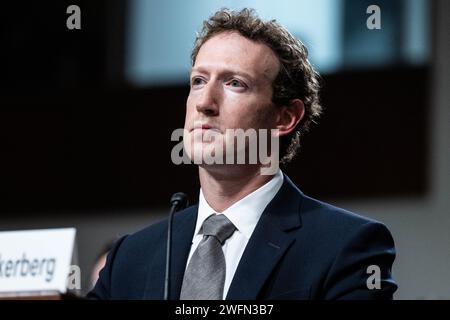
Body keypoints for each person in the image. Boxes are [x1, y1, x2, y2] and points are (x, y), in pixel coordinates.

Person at [88, 8, 397, 300]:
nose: (205, 102)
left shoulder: (346, 247)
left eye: (234, 83)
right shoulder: (129, 258)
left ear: (285, 117)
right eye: (198, 81)